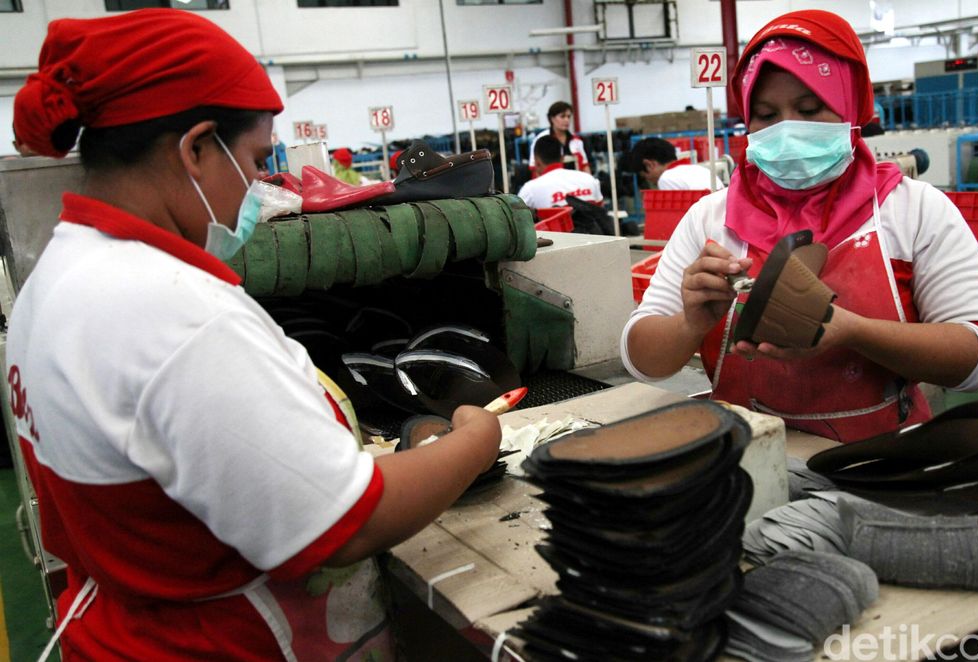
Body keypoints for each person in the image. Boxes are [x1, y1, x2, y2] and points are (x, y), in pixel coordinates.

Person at [9, 9, 500, 661]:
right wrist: (476, 441)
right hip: (215, 644)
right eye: (256, 159)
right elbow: (347, 523)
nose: (260, 187)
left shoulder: (56, 277)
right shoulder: (172, 311)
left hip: (120, 634)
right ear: (196, 148)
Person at [620, 10, 978, 443]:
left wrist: (855, 332)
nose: (787, 129)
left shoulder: (912, 210)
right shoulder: (711, 219)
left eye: (809, 108)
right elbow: (641, 359)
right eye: (765, 115)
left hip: (877, 460)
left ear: (850, 108)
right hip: (746, 454)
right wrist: (689, 323)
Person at [517, 135, 603, 209]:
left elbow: (514, 223)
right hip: (591, 227)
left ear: (536, 162)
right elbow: (601, 214)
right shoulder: (589, 180)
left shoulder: (530, 191)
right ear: (562, 158)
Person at [630, 137, 723, 190]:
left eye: (645, 176)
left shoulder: (666, 179)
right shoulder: (701, 170)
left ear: (649, 165)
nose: (650, 181)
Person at [527, 101, 590, 175]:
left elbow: (585, 166)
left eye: (569, 117)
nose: (567, 120)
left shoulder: (577, 140)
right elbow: (534, 169)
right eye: (562, 116)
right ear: (552, 118)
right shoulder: (541, 140)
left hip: (575, 183)